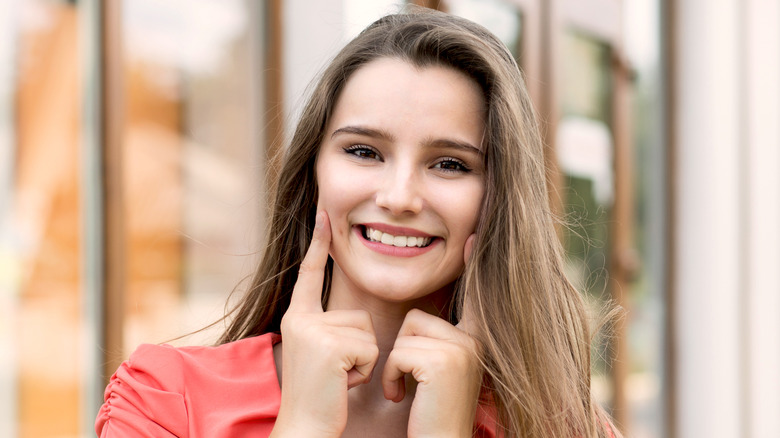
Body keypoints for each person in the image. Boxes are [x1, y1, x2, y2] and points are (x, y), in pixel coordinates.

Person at [96, 8, 620, 438]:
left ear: (498, 197)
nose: (399, 197)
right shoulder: (163, 403)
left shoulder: (566, 428)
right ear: (313, 173)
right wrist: (302, 426)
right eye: (365, 151)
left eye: (450, 163)